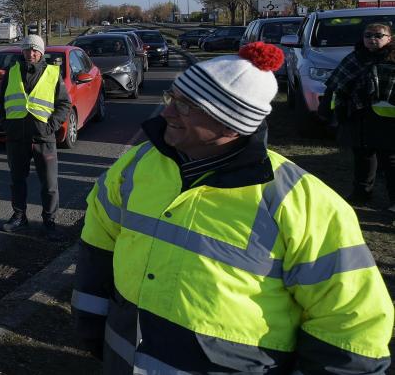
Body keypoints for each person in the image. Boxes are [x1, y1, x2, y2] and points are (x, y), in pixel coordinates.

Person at [73, 42, 394, 373]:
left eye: (184, 106)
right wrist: (91, 325)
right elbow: (98, 245)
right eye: (172, 98)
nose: (166, 112)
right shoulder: (135, 164)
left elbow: (350, 326)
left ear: (230, 124)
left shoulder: (302, 202)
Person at [0, 34, 72, 239]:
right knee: (17, 180)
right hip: (16, 138)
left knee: (49, 183)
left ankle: (49, 220)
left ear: (42, 52)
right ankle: (19, 216)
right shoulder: (11, 72)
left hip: (43, 138)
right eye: (28, 49)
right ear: (23, 51)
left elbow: (64, 104)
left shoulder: (53, 73)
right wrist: (6, 124)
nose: (31, 53)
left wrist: (51, 127)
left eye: (35, 50)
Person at [321, 22, 395, 209]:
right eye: (368, 35)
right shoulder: (355, 58)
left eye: (378, 35)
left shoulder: (392, 59)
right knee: (363, 156)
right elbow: (336, 86)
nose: (372, 39)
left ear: (389, 38)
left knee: (391, 161)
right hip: (359, 116)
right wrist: (330, 110)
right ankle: (361, 194)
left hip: (389, 120)